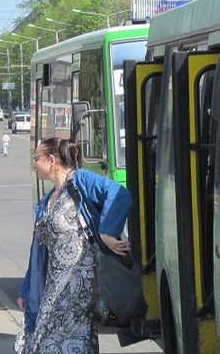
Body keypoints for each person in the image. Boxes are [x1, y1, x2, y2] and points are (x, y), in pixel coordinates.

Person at [15, 138, 132, 354]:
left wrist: (107, 232)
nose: (34, 164)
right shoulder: (47, 200)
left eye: (36, 158)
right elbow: (39, 251)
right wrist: (26, 288)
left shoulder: (81, 181)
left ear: (51, 160)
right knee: (39, 346)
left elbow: (119, 194)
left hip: (80, 293)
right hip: (53, 292)